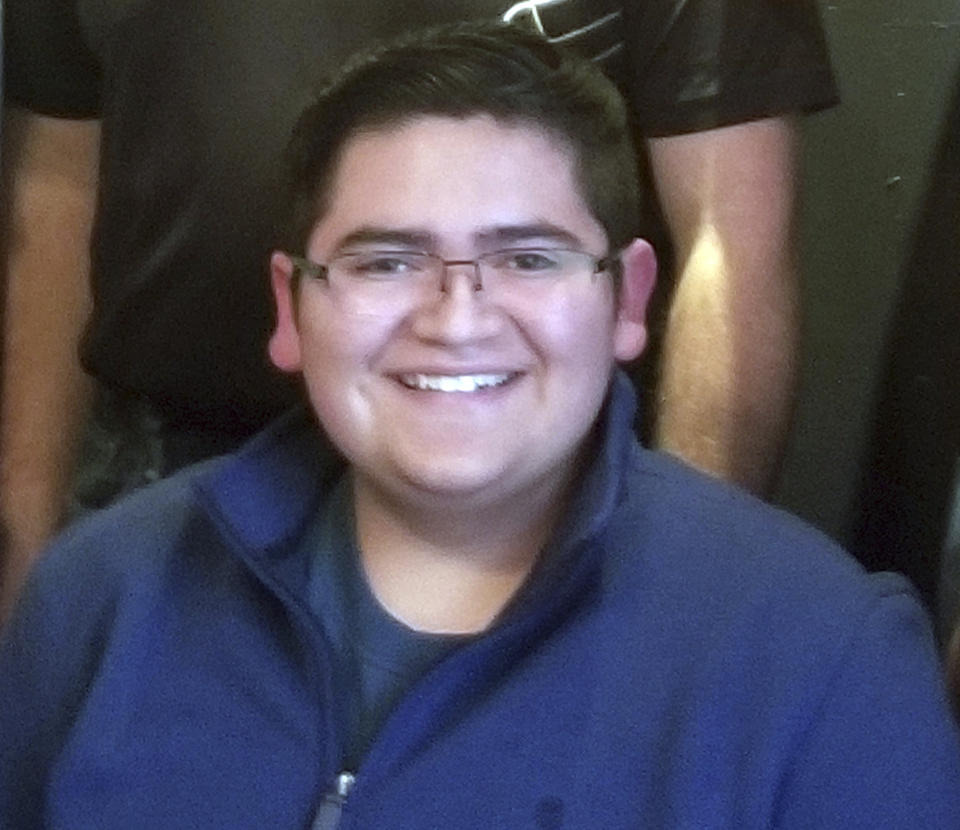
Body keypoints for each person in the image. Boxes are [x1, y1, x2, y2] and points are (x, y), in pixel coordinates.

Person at [1, 24, 956, 829]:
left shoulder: (829, 669)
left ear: (626, 301)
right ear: (292, 311)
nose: (457, 318)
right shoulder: (99, 602)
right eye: (385, 262)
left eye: (529, 260)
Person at [0, 0, 838, 620]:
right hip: (160, 466)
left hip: (526, 496)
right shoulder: (94, 588)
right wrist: (22, 537)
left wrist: (678, 589)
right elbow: (62, 188)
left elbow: (732, 248)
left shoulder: (842, 650)